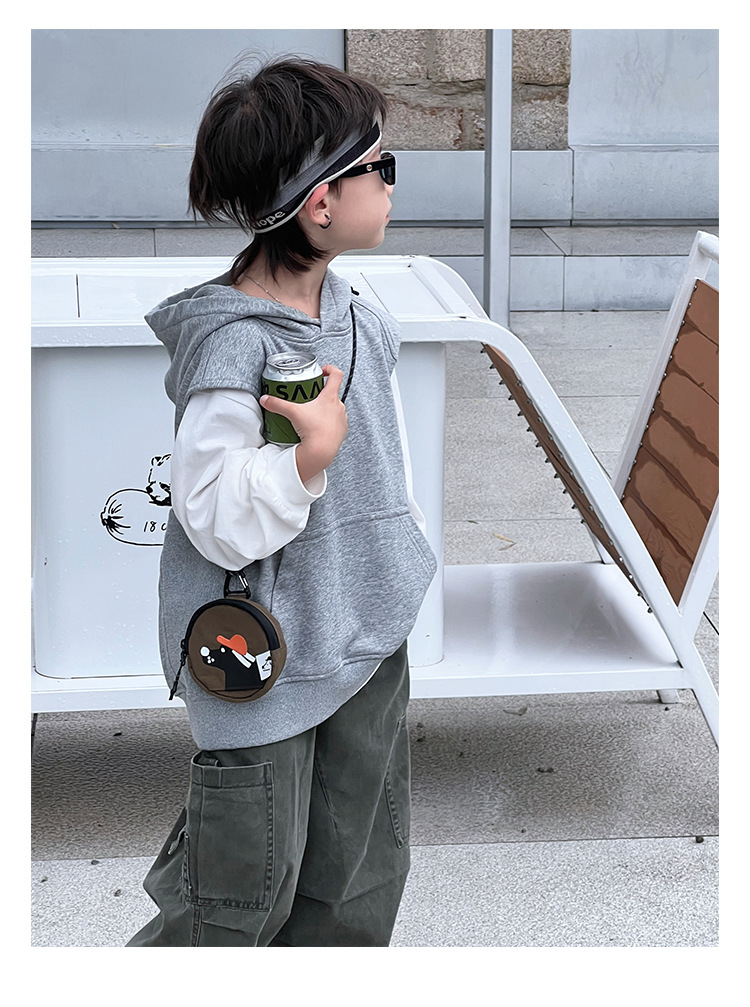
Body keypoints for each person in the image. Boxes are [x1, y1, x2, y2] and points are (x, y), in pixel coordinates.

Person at [126, 56, 437, 947]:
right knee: (237, 895)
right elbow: (212, 513)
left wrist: (402, 560)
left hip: (365, 635)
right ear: (321, 202)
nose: (392, 183)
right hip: (263, 658)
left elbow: (388, 474)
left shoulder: (359, 315)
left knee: (357, 881)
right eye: (380, 166)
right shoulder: (233, 347)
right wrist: (306, 461)